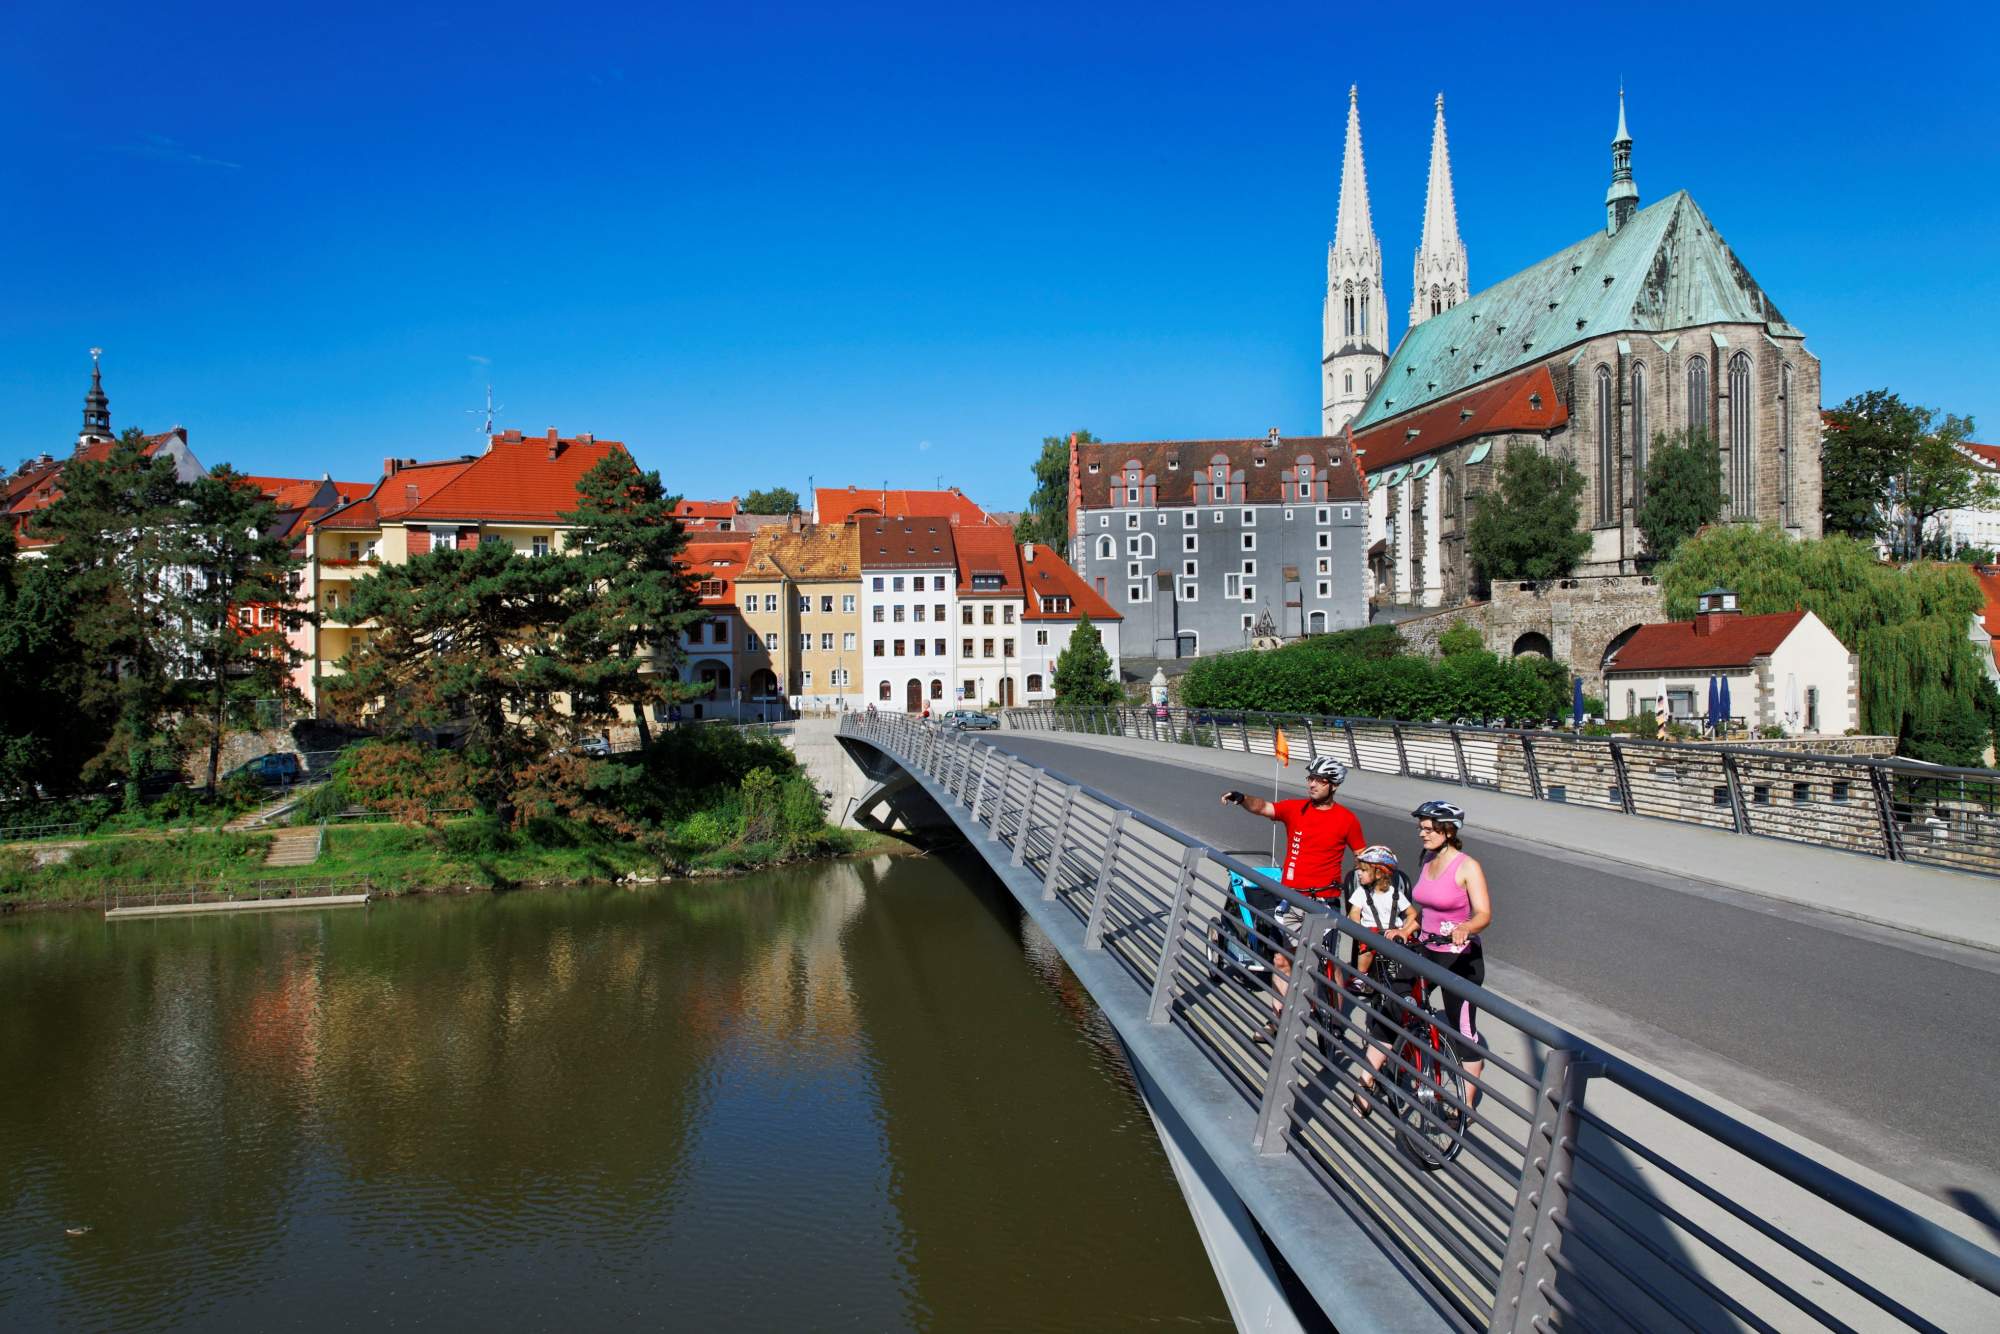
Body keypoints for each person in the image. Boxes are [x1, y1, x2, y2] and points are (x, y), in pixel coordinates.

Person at [1220, 756, 1365, 1022]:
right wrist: (1241, 798)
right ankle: (1280, 1019)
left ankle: (1335, 1022)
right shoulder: (1295, 809)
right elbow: (1264, 807)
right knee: (1281, 960)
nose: (1311, 784)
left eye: (1319, 780)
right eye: (1310, 778)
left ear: (1333, 785)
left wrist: (1372, 883)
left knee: (1328, 966)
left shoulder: (1347, 820)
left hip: (1324, 900)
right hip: (1290, 899)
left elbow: (1361, 855)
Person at [1409, 799, 1492, 1111]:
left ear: (1447, 831)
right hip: (1427, 948)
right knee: (1405, 1002)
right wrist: (1409, 923)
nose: (1422, 833)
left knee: (1462, 1029)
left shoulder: (1468, 866)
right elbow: (1426, 903)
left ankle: (1465, 1103)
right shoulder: (1428, 859)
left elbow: (1484, 913)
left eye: (1429, 829)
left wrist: (1466, 928)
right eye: (1421, 828)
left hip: (1459, 957)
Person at [1344, 844, 1417, 1118]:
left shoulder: (1397, 895)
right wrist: (1359, 926)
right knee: (1365, 949)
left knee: (1395, 996)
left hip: (1393, 941)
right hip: (1371, 937)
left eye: (1362, 871)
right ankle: (1361, 977)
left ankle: (1385, 1051)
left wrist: (1406, 929)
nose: (1358, 875)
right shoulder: (1361, 893)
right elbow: (1353, 913)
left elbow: (1413, 916)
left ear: (1378, 872)